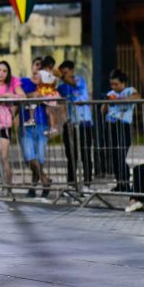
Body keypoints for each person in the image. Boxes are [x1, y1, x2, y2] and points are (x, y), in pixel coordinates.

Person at [0, 60, 24, 194]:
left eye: (4, 71)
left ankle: (8, 186)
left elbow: (22, 96)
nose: (1, 73)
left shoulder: (11, 84)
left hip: (4, 124)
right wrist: (4, 95)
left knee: (3, 156)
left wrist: (8, 96)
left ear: (8, 74)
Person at [58, 60, 93, 192]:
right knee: (71, 155)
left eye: (66, 73)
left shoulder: (79, 80)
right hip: (71, 124)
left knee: (85, 154)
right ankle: (71, 184)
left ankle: (87, 183)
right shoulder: (62, 85)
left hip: (84, 122)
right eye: (63, 73)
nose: (64, 76)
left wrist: (61, 77)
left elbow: (71, 82)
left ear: (72, 71)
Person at [20, 58, 52, 197]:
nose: (39, 68)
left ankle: (33, 187)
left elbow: (52, 100)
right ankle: (45, 180)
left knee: (39, 158)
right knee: (29, 156)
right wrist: (33, 95)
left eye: (42, 66)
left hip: (43, 123)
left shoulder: (48, 83)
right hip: (26, 123)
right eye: (37, 65)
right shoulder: (24, 81)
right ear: (32, 66)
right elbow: (20, 95)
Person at [104, 69, 138, 191]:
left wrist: (118, 100)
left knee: (121, 155)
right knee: (114, 156)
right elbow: (104, 109)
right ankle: (120, 183)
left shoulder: (130, 90)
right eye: (112, 84)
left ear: (123, 83)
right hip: (111, 124)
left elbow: (136, 97)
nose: (113, 87)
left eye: (116, 84)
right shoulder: (110, 93)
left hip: (124, 125)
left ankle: (126, 184)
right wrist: (105, 103)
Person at [31, 55, 61, 136]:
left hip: (44, 92)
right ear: (51, 65)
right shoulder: (52, 74)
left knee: (33, 103)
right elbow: (55, 84)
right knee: (50, 111)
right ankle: (53, 128)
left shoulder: (41, 73)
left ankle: (31, 118)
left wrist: (32, 79)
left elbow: (37, 82)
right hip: (52, 93)